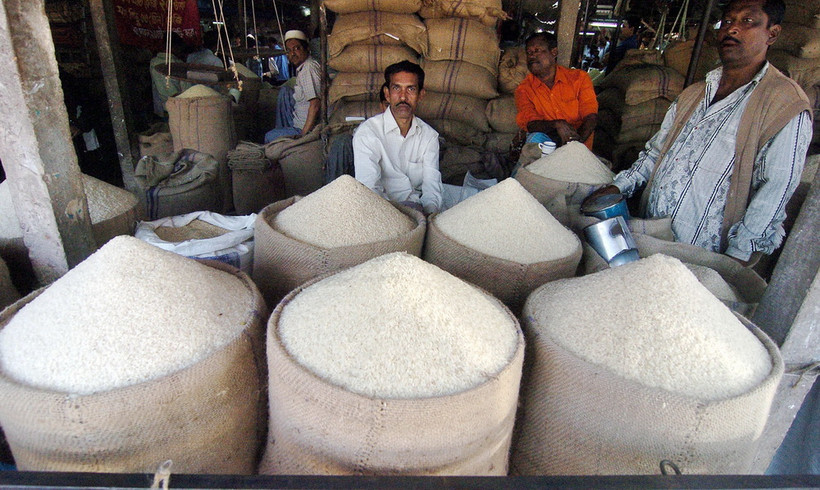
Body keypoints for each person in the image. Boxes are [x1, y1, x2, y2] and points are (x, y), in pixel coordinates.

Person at [585, 0, 812, 264]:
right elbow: (656, 152)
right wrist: (618, 186)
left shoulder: (784, 103)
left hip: (704, 259)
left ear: (772, 33)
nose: (733, 29)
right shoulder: (694, 93)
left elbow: (775, 191)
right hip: (651, 239)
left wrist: (734, 261)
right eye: (727, 21)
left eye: (747, 21)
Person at [353, 61, 443, 214]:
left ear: (421, 95)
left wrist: (429, 217)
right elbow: (369, 189)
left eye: (411, 89)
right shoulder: (368, 133)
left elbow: (432, 186)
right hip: (382, 212)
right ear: (387, 94)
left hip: (417, 211)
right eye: (396, 88)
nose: (403, 97)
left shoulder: (429, 137)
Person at [515, 31, 598, 149]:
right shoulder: (524, 89)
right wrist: (556, 124)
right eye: (529, 53)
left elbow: (591, 117)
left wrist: (575, 145)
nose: (532, 56)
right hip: (548, 148)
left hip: (580, 147)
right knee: (535, 139)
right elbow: (531, 124)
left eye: (537, 50)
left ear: (553, 52)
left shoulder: (579, 78)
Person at [263, 30, 321, 142]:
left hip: (303, 127)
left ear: (306, 48)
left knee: (269, 137)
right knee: (285, 91)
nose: (292, 54)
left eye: (297, 48)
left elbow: (315, 105)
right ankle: (283, 132)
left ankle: (282, 141)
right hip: (298, 119)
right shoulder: (303, 67)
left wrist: (304, 134)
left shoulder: (309, 68)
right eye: (289, 51)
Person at [149, 33, 189, 118]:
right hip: (173, 109)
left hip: (170, 108)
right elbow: (171, 92)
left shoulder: (155, 62)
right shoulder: (161, 64)